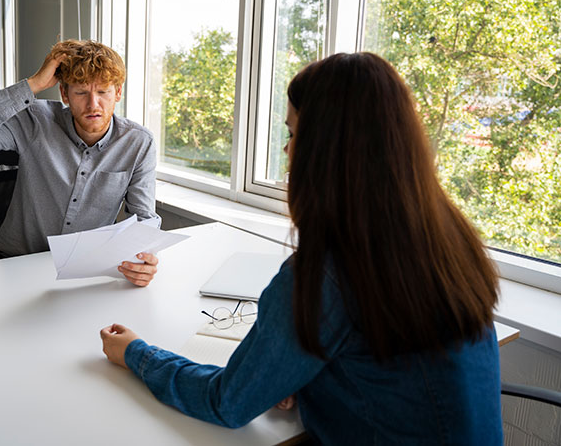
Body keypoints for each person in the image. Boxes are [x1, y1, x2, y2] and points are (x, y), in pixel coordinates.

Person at [100, 52, 503, 443]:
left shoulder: (328, 270)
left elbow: (226, 403)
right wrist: (301, 375)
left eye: (293, 134)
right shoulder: (448, 237)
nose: (287, 150)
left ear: (328, 150)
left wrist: (136, 353)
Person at [0, 40, 160, 286]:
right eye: (80, 92)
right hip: (16, 265)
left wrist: (145, 258)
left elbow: (144, 218)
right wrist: (33, 85)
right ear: (64, 94)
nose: (93, 104)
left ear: (118, 92)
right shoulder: (35, 120)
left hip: (84, 272)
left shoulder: (138, 143)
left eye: (103, 92)